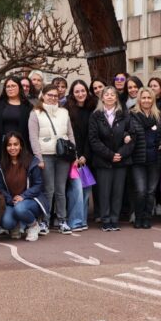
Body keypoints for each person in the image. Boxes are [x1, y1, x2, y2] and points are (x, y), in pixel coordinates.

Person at [28, 84, 75, 234]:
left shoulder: (64, 112)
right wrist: (38, 158)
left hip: (63, 156)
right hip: (46, 155)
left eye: (56, 96)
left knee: (61, 189)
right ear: (43, 95)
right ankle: (44, 220)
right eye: (50, 95)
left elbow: (70, 134)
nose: (53, 98)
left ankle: (62, 220)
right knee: (49, 190)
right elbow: (33, 137)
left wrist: (74, 154)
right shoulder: (35, 113)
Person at [88, 87, 136, 231]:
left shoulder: (125, 115)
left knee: (118, 191)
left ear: (116, 98)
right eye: (106, 94)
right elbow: (94, 140)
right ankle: (105, 219)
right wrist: (109, 155)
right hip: (103, 160)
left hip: (121, 160)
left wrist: (120, 154)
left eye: (112, 94)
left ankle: (115, 219)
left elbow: (132, 137)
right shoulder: (95, 115)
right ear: (102, 98)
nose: (109, 97)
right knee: (104, 191)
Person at [0, 132, 48, 241]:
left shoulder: (32, 161)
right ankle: (16, 226)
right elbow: (0, 188)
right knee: (6, 222)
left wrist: (23, 196)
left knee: (20, 208)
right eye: (9, 145)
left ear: (21, 145)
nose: (12, 148)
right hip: (11, 202)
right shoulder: (1, 166)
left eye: (15, 144)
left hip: (31, 200)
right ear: (5, 147)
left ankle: (33, 225)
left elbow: (38, 185)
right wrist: (10, 200)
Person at [64, 80, 96, 232]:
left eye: (83, 90)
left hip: (88, 156)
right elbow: (67, 135)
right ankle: (74, 221)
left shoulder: (93, 109)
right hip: (73, 157)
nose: (80, 94)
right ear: (72, 93)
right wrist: (75, 156)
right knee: (75, 189)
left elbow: (93, 136)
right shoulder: (67, 110)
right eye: (77, 91)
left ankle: (82, 219)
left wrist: (85, 156)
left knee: (86, 189)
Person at [129, 88, 161, 229]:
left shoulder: (158, 116)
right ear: (139, 99)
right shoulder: (132, 115)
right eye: (144, 98)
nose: (146, 100)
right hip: (138, 159)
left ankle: (147, 217)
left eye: (149, 98)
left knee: (150, 191)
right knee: (141, 190)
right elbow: (128, 132)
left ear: (153, 99)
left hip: (155, 159)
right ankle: (138, 216)